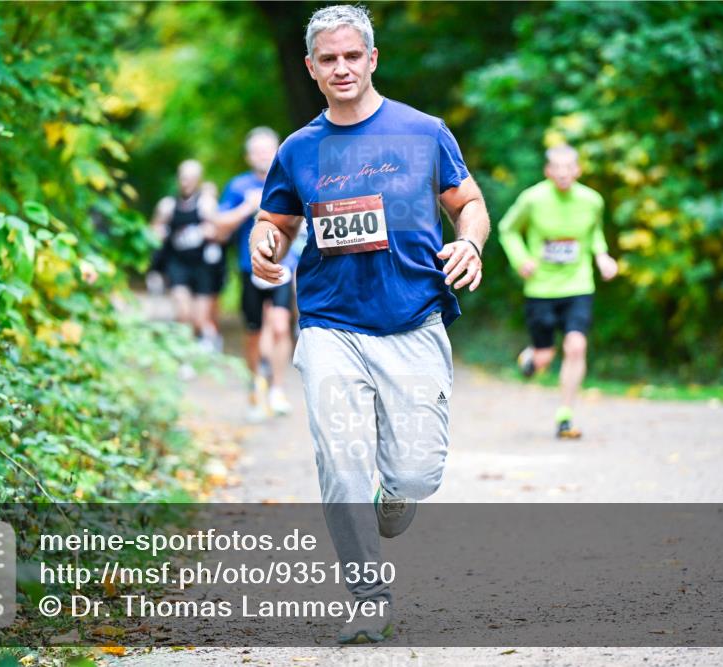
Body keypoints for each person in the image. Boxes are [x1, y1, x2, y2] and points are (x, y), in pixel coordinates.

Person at [249, 5, 489, 644]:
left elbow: (468, 204)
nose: (342, 68)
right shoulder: (299, 150)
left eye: (353, 55)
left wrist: (470, 243)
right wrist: (263, 242)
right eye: (328, 59)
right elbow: (275, 220)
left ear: (372, 58)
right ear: (312, 68)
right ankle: (367, 598)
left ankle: (396, 494)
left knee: (416, 473)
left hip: (413, 320)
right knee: (342, 458)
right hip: (330, 326)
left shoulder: (423, 131)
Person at [497, 144, 618, 439]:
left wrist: (602, 255)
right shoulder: (533, 199)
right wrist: (521, 258)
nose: (563, 174)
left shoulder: (592, 200)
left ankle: (565, 415)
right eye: (557, 169)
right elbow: (507, 229)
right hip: (541, 288)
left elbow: (595, 233)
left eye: (569, 168)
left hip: (578, 285)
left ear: (577, 170)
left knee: (576, 345)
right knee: (544, 358)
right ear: (548, 171)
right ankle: (532, 358)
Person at [212, 128, 297, 419]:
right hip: (250, 269)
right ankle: (255, 386)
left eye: (268, 149)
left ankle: (277, 389)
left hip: (284, 266)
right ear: (249, 156)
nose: (263, 155)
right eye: (257, 151)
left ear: (277, 150)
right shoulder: (238, 186)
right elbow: (218, 228)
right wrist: (247, 208)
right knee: (254, 332)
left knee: (281, 325)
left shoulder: (289, 181)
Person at [148, 160, 224, 351]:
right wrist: (158, 232)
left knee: (199, 319)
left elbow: (220, 231)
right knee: (183, 311)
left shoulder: (206, 204)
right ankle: (185, 354)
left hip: (202, 266)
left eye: (190, 178)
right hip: (178, 264)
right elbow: (152, 229)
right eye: (183, 177)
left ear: (198, 180)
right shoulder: (167, 205)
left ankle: (206, 336)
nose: (186, 182)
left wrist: (211, 231)